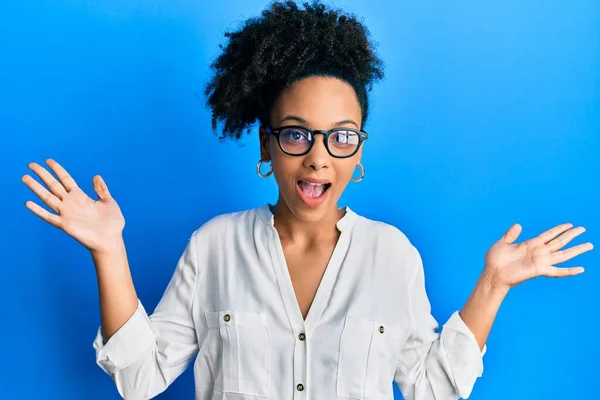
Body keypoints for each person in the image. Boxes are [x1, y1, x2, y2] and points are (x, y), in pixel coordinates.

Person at [21, 1, 593, 399]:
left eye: (341, 136)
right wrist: (108, 251)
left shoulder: (393, 256)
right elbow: (139, 379)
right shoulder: (214, 246)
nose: (319, 157)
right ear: (268, 145)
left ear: (358, 151)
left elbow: (431, 388)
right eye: (296, 133)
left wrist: (492, 284)